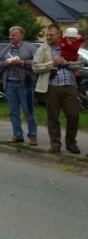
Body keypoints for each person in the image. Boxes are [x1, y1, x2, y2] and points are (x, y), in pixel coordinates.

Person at [33, 24, 85, 154]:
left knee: (74, 116)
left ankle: (71, 143)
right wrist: (52, 63)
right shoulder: (43, 49)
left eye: (51, 35)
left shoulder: (69, 46)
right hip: (52, 86)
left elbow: (81, 63)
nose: (48, 37)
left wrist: (66, 63)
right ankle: (55, 144)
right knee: (53, 117)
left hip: (69, 85)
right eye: (47, 35)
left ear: (59, 34)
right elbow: (35, 67)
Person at [0, 26, 38, 145]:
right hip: (9, 83)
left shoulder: (30, 47)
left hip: (24, 84)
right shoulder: (6, 49)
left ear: (21, 36)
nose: (11, 37)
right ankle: (18, 135)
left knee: (28, 111)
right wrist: (5, 63)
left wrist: (23, 63)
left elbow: (37, 62)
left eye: (13, 35)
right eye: (10, 35)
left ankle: (33, 136)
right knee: (13, 112)